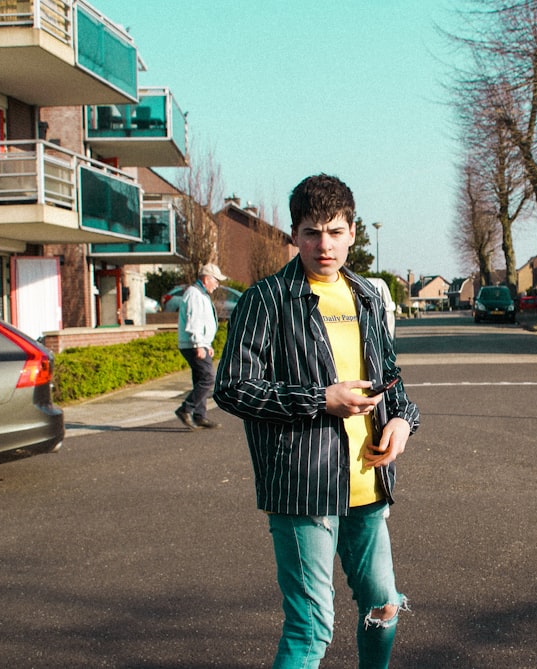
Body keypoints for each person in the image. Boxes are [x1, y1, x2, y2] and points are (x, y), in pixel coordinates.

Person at [213, 174, 419, 668]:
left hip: (368, 480)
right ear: (295, 235)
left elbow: (390, 380)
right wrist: (320, 399)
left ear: (352, 232)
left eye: (333, 231)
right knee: (311, 626)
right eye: (311, 232)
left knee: (384, 607)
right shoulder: (266, 299)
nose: (323, 244)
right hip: (303, 485)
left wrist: (403, 423)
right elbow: (233, 388)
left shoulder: (368, 296)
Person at [174, 262, 226, 430]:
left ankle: (200, 415)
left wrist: (206, 344)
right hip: (192, 344)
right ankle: (186, 409)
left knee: (200, 378)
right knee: (208, 377)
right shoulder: (194, 294)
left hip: (198, 343)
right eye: (216, 281)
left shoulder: (200, 294)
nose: (217, 285)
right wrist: (199, 345)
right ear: (206, 279)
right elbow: (193, 321)